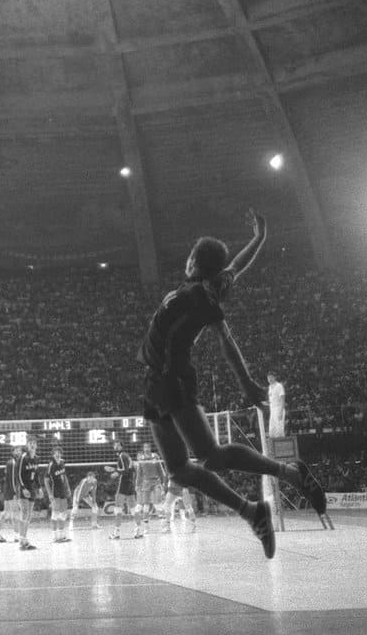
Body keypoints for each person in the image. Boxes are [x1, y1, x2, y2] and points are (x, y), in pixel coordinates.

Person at [137, 208, 326, 559]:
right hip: (154, 384)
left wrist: (246, 382)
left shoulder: (198, 297)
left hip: (171, 380)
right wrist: (259, 238)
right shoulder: (206, 287)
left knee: (211, 456)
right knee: (180, 469)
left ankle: (289, 473)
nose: (187, 259)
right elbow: (234, 268)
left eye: (191, 256)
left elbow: (226, 339)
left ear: (195, 262)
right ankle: (252, 511)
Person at [104, 439, 138, 539]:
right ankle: (138, 531)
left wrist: (115, 471)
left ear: (122, 447)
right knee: (133, 508)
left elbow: (125, 471)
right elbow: (131, 470)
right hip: (130, 483)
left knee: (118, 508)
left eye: (118, 445)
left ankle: (116, 533)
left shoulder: (122, 456)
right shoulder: (127, 456)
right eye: (115, 445)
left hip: (124, 483)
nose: (116, 447)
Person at [15, 438, 40, 551]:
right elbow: (18, 475)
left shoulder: (36, 458)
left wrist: (39, 487)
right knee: (24, 513)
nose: (32, 445)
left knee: (29, 515)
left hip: (32, 488)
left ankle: (25, 538)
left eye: (34, 444)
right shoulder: (23, 457)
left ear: (36, 445)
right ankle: (21, 540)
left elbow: (36, 474)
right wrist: (23, 488)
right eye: (30, 444)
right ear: (27, 445)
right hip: (23, 488)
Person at [135, 443, 165, 534]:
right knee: (146, 505)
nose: (147, 448)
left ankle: (164, 526)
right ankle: (146, 527)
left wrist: (163, 483)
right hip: (145, 483)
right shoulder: (141, 458)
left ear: (150, 448)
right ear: (143, 449)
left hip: (156, 482)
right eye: (145, 447)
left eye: (148, 447)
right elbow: (139, 473)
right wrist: (137, 484)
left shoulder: (155, 457)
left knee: (158, 503)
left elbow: (160, 470)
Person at [45, 446, 71, 544]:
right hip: (54, 491)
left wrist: (68, 487)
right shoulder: (51, 465)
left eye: (59, 452)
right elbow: (46, 480)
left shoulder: (62, 463)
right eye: (55, 452)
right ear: (53, 454)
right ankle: (55, 537)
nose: (57, 454)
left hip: (63, 490)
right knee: (55, 514)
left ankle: (62, 535)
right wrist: (50, 494)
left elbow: (64, 476)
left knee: (63, 513)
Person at [0, 445, 21, 543]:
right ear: (13, 452)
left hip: (8, 489)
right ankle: (16, 535)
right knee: (15, 512)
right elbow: (13, 480)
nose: (19, 452)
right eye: (17, 450)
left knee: (6, 512)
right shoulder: (13, 463)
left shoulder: (12, 462)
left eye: (20, 450)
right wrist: (15, 492)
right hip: (11, 490)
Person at [267, 372, 286, 438]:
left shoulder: (279, 386)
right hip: (272, 410)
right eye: (268, 378)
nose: (270, 379)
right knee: (272, 430)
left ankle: (281, 447)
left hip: (278, 409)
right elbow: (271, 401)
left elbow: (282, 399)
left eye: (271, 377)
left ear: (274, 377)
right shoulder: (269, 387)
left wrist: (280, 412)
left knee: (279, 430)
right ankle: (273, 447)